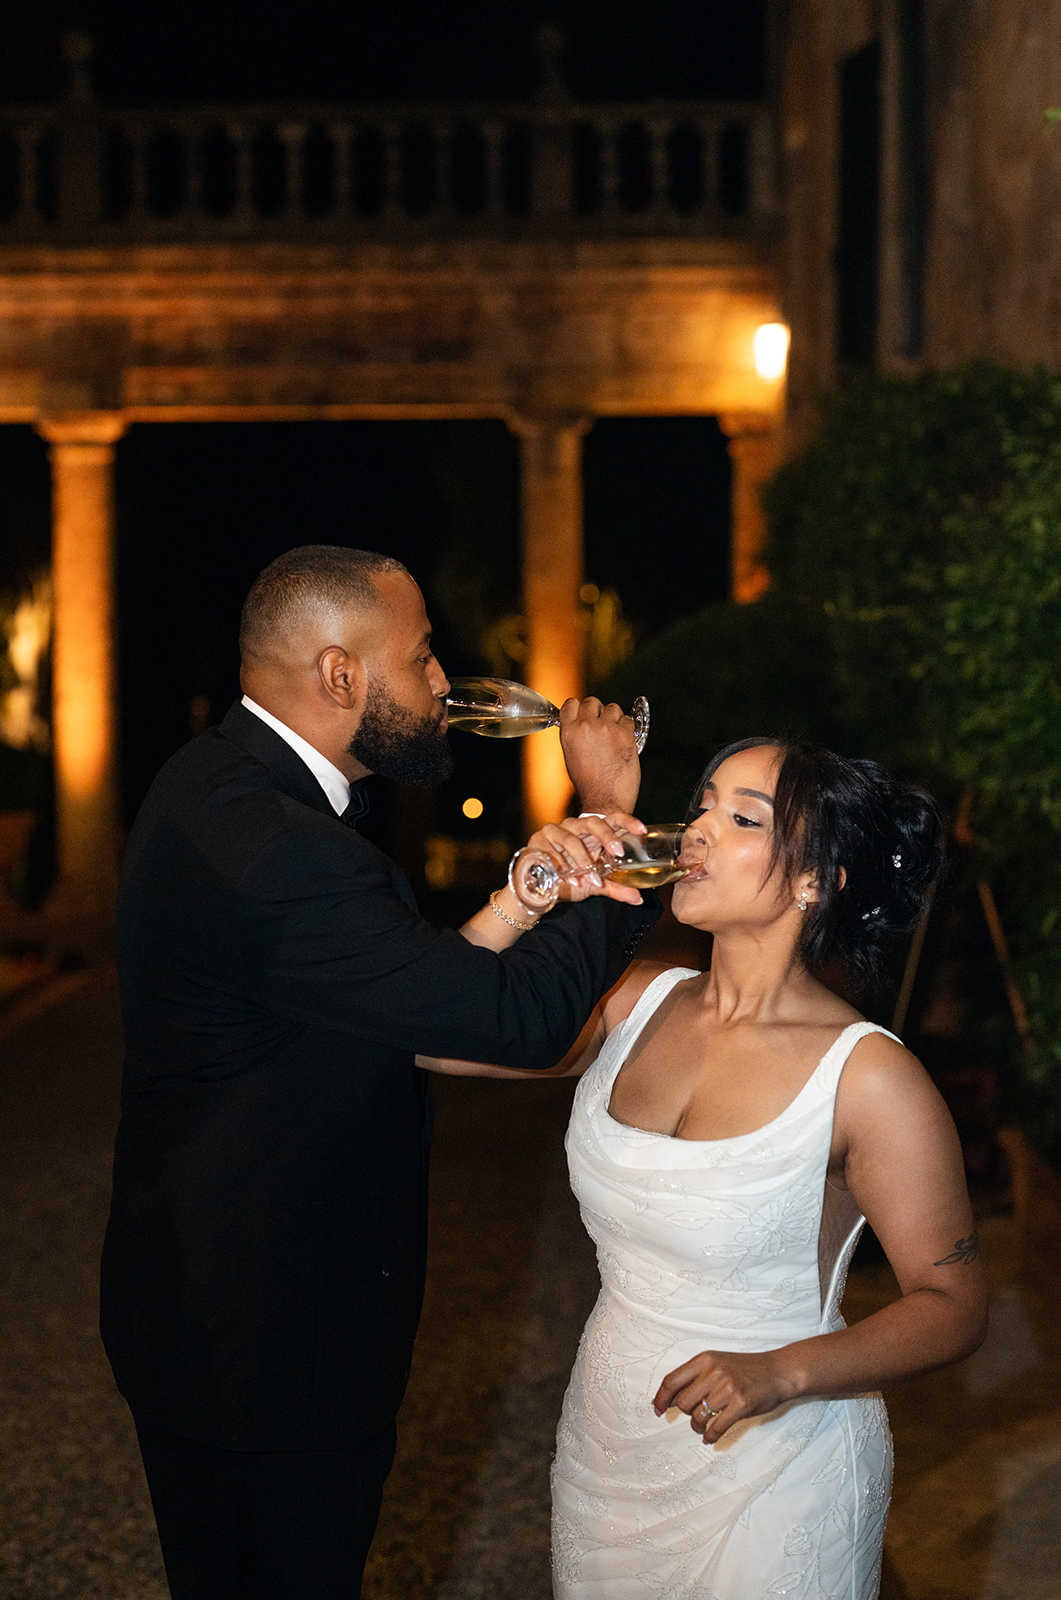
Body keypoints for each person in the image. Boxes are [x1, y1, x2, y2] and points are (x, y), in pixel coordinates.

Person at [100, 544, 660, 1600]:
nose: (443, 684)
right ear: (340, 674)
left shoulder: (214, 782)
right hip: (272, 1343)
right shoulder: (283, 847)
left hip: (201, 1310)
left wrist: (523, 897)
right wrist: (604, 822)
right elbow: (519, 1020)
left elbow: (395, 993)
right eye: (422, 657)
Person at [421, 736, 988, 1599]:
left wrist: (780, 1370)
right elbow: (433, 1039)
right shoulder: (631, 1000)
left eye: (742, 819)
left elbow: (953, 1304)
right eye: (701, 806)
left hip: (782, 1459)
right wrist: (523, 896)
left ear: (814, 880)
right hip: (611, 1443)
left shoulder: (868, 1077)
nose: (697, 831)